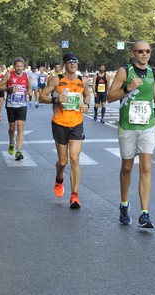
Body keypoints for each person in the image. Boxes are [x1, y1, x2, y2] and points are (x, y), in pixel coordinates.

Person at [107, 41, 155, 229]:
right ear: (133, 53)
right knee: (127, 168)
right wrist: (128, 88)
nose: (144, 54)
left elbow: (154, 90)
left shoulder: (153, 72)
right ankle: (124, 205)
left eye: (147, 51)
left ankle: (144, 213)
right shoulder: (125, 71)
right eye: (140, 51)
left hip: (148, 125)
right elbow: (110, 96)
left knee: (146, 167)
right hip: (128, 126)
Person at [40, 52, 91, 209]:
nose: (73, 64)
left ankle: (74, 196)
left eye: (75, 62)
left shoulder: (82, 81)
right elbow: (42, 97)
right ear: (64, 64)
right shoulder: (57, 80)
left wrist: (86, 105)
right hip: (60, 123)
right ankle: (59, 175)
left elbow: (87, 96)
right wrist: (56, 99)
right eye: (69, 62)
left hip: (77, 123)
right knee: (63, 161)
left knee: (75, 158)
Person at [0, 57, 32, 161]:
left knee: (20, 126)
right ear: (14, 66)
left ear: (24, 67)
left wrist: (29, 92)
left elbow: (29, 88)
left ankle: (18, 151)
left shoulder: (27, 77)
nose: (19, 68)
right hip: (11, 105)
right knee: (12, 128)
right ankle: (11, 141)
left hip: (22, 105)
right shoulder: (9, 75)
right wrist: (9, 89)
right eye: (17, 66)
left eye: (21, 66)